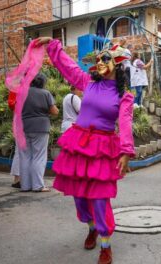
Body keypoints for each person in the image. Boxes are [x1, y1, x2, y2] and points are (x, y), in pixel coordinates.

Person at [35, 36, 135, 264]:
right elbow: (67, 66)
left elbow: (126, 123)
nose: (99, 63)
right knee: (80, 196)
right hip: (79, 144)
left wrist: (126, 151)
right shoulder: (88, 83)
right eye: (98, 59)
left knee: (99, 198)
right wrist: (53, 44)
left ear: (117, 65)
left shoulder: (124, 96)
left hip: (103, 148)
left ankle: (106, 244)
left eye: (105, 59)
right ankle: (91, 228)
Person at [18, 73, 59, 192]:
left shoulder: (22, 93)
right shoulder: (45, 93)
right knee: (39, 156)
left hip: (24, 126)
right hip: (41, 127)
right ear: (42, 82)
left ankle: (25, 186)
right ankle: (38, 185)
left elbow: (16, 109)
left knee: (25, 156)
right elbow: (54, 111)